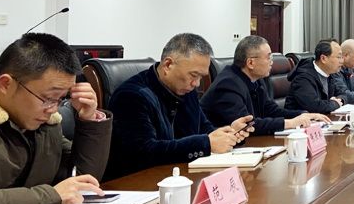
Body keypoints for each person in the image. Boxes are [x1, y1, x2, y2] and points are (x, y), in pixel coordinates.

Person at [0, 33, 112, 204]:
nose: (53, 109)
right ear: (6, 84)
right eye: (48, 98)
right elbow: (57, 194)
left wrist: (89, 120)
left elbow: (81, 179)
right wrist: (51, 196)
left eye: (61, 99)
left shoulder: (46, 126)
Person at [106, 33, 252, 180]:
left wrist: (229, 134)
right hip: (139, 183)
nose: (197, 83)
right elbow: (144, 152)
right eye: (193, 75)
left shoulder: (186, 90)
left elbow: (204, 129)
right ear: (168, 65)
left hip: (181, 177)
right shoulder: (131, 96)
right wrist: (206, 144)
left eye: (201, 77)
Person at [201, 36, 330, 133]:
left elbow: (271, 110)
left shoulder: (255, 79)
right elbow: (247, 125)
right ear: (250, 63)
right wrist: (290, 123)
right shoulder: (228, 84)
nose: (271, 62)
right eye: (268, 57)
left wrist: (303, 115)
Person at [285, 39, 345, 114]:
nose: (342, 61)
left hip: (322, 118)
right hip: (300, 120)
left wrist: (340, 100)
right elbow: (314, 107)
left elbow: (343, 93)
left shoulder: (330, 74)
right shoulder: (303, 78)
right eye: (338, 57)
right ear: (323, 58)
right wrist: (334, 104)